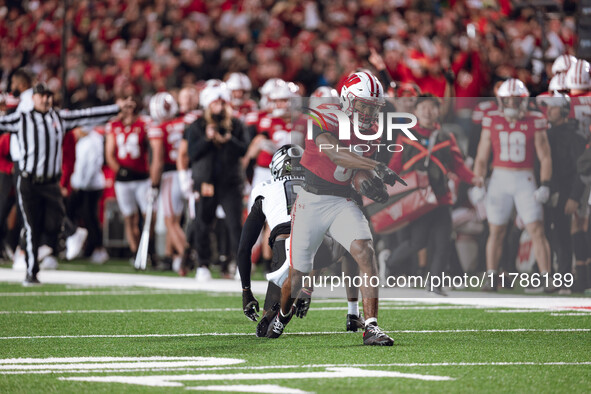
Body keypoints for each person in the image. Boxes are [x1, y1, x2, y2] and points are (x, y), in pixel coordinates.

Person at [268, 71, 405, 346]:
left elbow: (356, 174)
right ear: (347, 100)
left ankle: (371, 326)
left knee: (364, 252)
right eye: (364, 104)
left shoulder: (373, 131)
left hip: (344, 200)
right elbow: (333, 152)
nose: (368, 112)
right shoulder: (323, 116)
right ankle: (282, 315)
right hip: (311, 200)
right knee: (296, 277)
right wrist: (375, 167)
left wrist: (370, 183)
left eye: (373, 107)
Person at [0, 83, 130, 285]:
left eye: (48, 96)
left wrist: (116, 108)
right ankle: (32, 272)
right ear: (32, 99)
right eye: (42, 96)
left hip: (51, 182)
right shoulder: (21, 119)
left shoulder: (59, 117)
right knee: (31, 226)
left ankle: (68, 236)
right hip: (27, 180)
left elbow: (87, 115)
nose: (46, 100)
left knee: (55, 220)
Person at [385, 94, 483, 295]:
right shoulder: (406, 135)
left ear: (439, 111)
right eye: (423, 108)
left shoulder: (447, 137)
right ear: (416, 112)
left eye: (432, 107)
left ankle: (435, 283)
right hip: (417, 200)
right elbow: (395, 164)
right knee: (417, 242)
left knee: (443, 241)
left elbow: (458, 165)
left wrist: (473, 178)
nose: (428, 112)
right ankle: (390, 263)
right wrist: (387, 183)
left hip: (441, 197)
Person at [473, 78, 553, 291]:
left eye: (516, 100)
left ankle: (546, 277)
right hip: (500, 178)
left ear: (523, 100)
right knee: (496, 230)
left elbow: (545, 156)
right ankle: (491, 276)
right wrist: (478, 182)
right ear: (501, 100)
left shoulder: (535, 119)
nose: (512, 104)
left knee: (536, 228)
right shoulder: (491, 119)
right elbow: (481, 157)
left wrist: (545, 184)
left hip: (525, 178)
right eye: (508, 100)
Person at [185, 84, 249, 282]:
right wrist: (207, 138)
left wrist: (228, 139)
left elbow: (244, 149)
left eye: (222, 102)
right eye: (216, 102)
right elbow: (192, 154)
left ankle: (240, 265)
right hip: (206, 182)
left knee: (234, 225)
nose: (220, 107)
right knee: (203, 223)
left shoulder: (236, 124)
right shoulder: (197, 125)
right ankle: (203, 264)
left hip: (230, 183)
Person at [539, 93, 586, 294]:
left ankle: (567, 277)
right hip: (549, 191)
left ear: (564, 110)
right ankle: (552, 276)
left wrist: (574, 196)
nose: (548, 111)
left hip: (566, 193)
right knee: (548, 233)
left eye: (553, 107)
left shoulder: (574, 137)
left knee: (563, 235)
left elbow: (582, 170)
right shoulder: (547, 134)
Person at [105, 96, 159, 260]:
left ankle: (149, 249)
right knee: (129, 218)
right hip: (123, 179)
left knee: (149, 216)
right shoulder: (113, 125)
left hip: (142, 177)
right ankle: (136, 252)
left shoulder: (144, 123)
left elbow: (152, 148)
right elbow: (109, 153)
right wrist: (119, 170)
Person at [68, 126, 109, 263]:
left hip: (91, 186)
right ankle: (86, 246)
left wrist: (81, 184)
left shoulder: (93, 141)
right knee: (80, 215)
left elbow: (92, 166)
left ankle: (97, 248)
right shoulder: (84, 141)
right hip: (83, 184)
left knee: (90, 216)